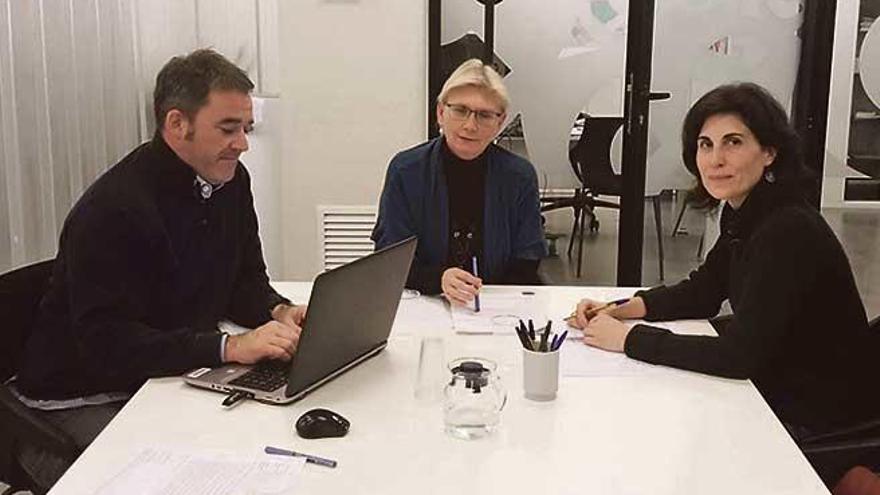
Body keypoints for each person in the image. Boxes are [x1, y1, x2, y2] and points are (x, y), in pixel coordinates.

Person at [12, 49, 305, 489]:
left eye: (246, 128)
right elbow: (107, 344)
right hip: (81, 393)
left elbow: (242, 280)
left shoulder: (229, 180)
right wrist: (229, 347)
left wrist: (278, 311)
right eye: (228, 129)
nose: (242, 143)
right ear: (176, 124)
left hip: (164, 371)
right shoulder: (115, 209)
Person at [571, 82, 880, 437]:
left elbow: (739, 356)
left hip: (813, 418)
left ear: (769, 152)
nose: (715, 159)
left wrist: (628, 339)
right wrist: (619, 308)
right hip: (777, 385)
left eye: (733, 142)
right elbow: (704, 290)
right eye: (706, 144)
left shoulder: (787, 229)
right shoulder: (747, 211)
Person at [371, 59, 546, 305]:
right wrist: (438, 278)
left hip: (497, 306)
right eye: (460, 110)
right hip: (426, 300)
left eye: (484, 115)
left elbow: (528, 260)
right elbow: (390, 258)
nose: (470, 126)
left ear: (500, 122)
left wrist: (489, 299)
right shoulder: (406, 170)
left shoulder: (519, 176)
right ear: (441, 113)